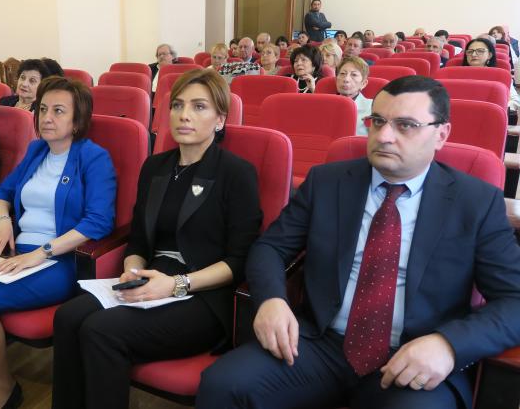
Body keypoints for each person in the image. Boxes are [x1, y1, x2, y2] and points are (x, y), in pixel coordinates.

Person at [197, 75, 520, 409]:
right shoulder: (327, 182)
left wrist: (448, 345)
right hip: (320, 344)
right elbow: (270, 248)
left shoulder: (476, 202)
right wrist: (272, 300)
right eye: (377, 121)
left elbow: (514, 299)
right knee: (223, 385)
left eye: (405, 125)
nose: (384, 136)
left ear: (441, 134)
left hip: (413, 355)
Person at [52, 68, 262, 409]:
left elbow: (239, 261)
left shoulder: (237, 173)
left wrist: (176, 284)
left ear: (220, 120)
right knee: (67, 317)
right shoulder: (155, 167)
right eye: (177, 105)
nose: (184, 115)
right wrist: (132, 271)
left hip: (203, 294)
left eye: (199, 107)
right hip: (151, 278)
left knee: (100, 330)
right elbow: (138, 239)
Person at [0, 76, 116, 409]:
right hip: (18, 252)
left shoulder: (93, 157)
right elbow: (0, 193)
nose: (46, 117)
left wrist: (41, 253)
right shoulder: (36, 151)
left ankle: (2, 387)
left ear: (77, 121)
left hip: (58, 260)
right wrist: (3, 221)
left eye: (59, 111)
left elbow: (98, 221)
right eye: (43, 109)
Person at [462, 38, 520, 111]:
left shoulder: (500, 75)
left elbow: (515, 101)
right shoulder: (456, 74)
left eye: (480, 51)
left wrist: (496, 108)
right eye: (470, 52)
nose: (473, 54)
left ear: (489, 55)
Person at [336, 57, 372, 135]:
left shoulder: (372, 108)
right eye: (342, 73)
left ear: (363, 84)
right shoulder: (325, 104)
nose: (346, 79)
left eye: (354, 75)